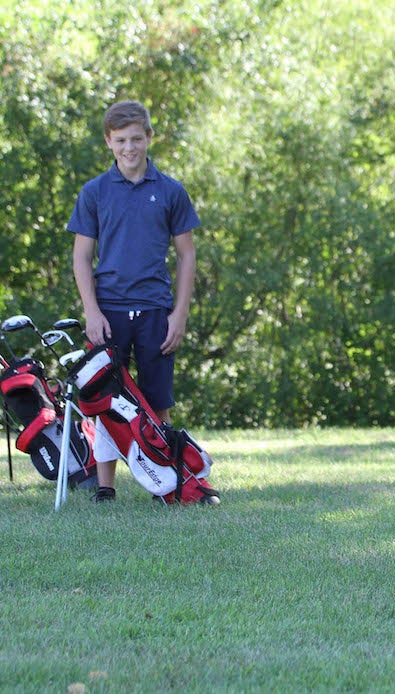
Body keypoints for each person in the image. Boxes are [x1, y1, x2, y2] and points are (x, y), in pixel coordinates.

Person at [68, 100, 200, 503]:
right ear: (109, 141)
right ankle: (106, 487)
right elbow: (81, 256)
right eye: (121, 140)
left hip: (156, 309)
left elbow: (187, 255)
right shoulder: (94, 192)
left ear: (148, 138)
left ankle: (165, 483)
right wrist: (91, 311)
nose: (130, 147)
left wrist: (179, 315)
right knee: (105, 400)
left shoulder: (171, 191)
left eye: (137, 139)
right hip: (108, 312)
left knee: (158, 400)